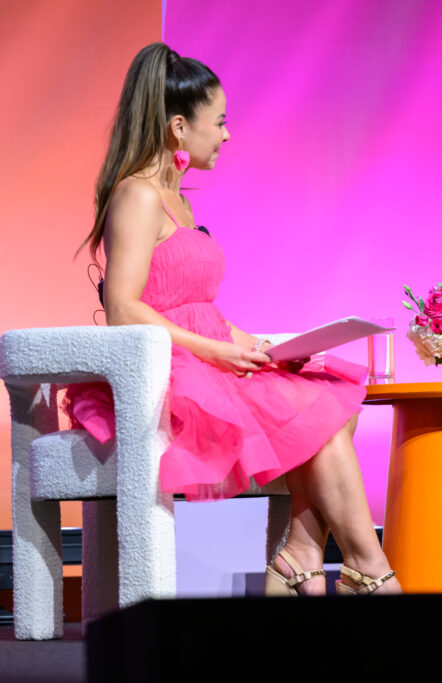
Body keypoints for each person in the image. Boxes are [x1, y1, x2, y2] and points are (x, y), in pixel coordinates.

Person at [67, 43, 399, 597]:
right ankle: (365, 567)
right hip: (165, 371)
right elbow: (126, 308)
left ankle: (304, 554)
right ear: (178, 127)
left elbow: (203, 309)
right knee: (318, 417)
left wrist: (268, 345)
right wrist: (219, 353)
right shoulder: (137, 197)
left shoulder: (181, 201)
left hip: (204, 355)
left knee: (330, 390)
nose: (225, 134)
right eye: (217, 122)